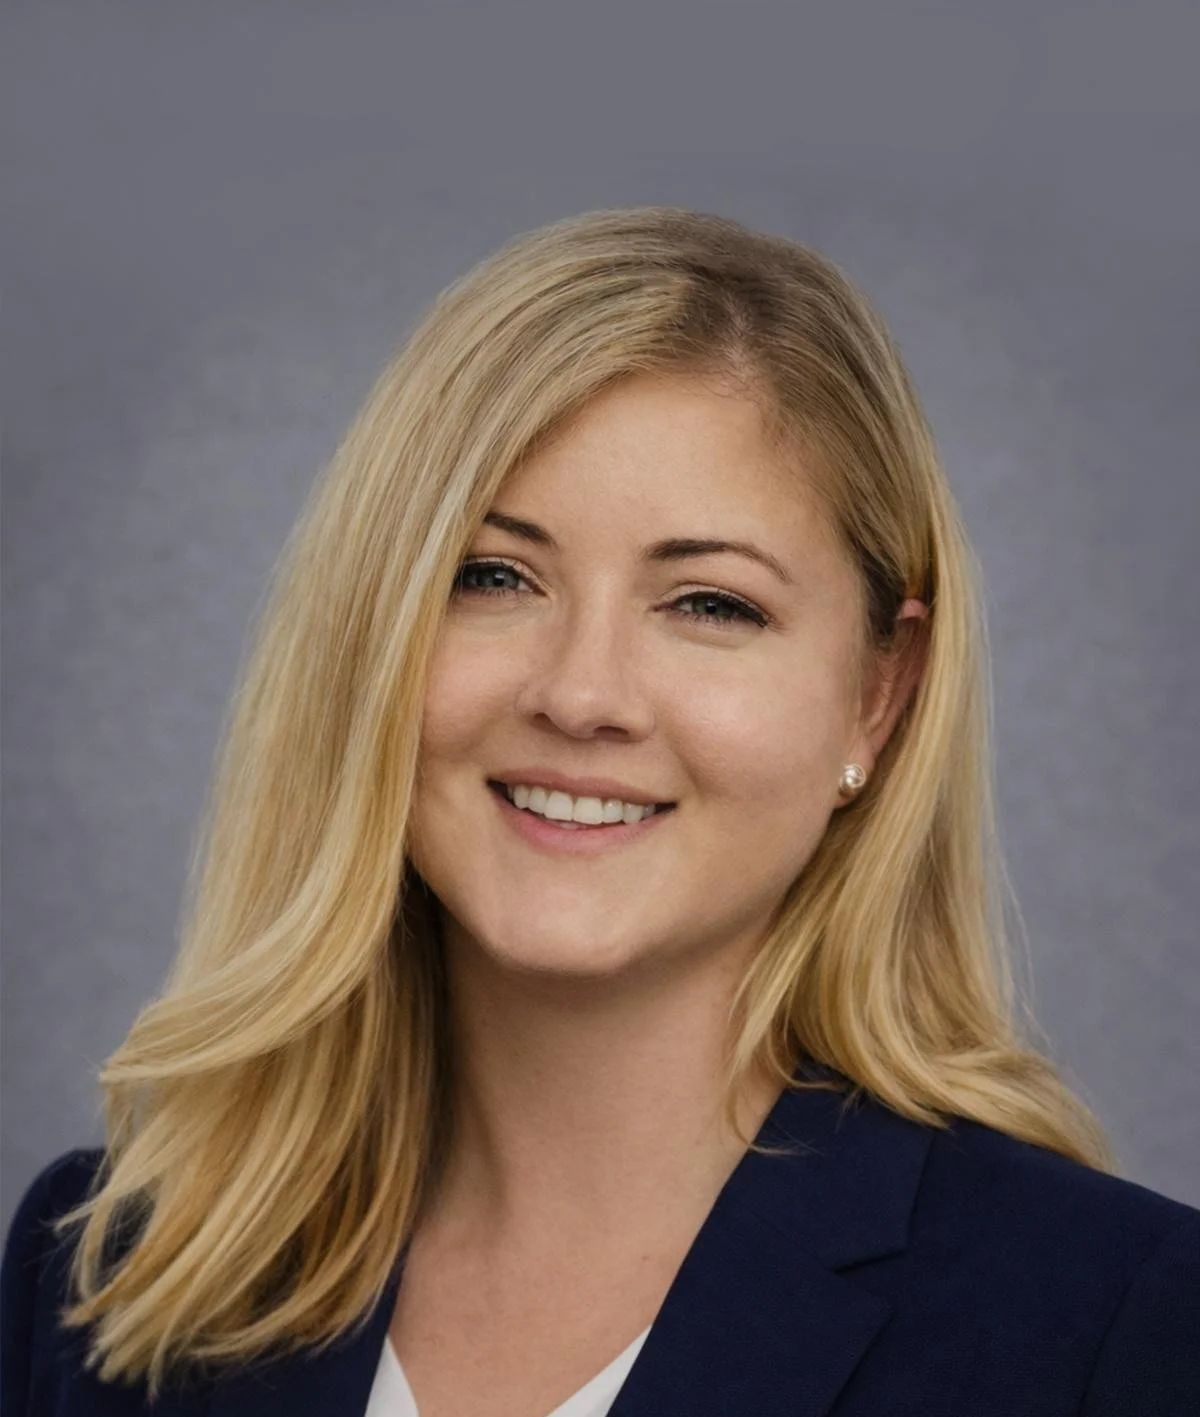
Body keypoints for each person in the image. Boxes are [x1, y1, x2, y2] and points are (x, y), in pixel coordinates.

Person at [3, 206, 1197, 1417]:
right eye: (493, 577)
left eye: (710, 604)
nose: (581, 694)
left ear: (876, 697)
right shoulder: (95, 1280)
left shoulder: (1115, 1325)